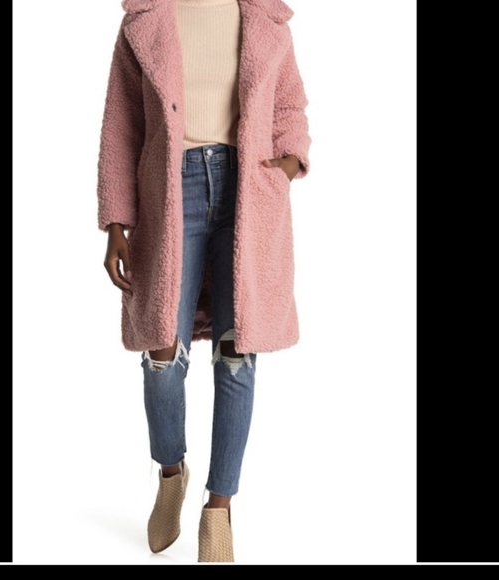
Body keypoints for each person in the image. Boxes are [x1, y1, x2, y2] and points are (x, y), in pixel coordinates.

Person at [97, 0, 311, 562]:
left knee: (238, 352)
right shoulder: (146, 18)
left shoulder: (265, 17)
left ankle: (220, 508)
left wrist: (287, 164)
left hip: (248, 189)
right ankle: (171, 474)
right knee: (162, 352)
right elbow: (120, 123)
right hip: (172, 190)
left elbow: (289, 104)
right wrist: (116, 221)